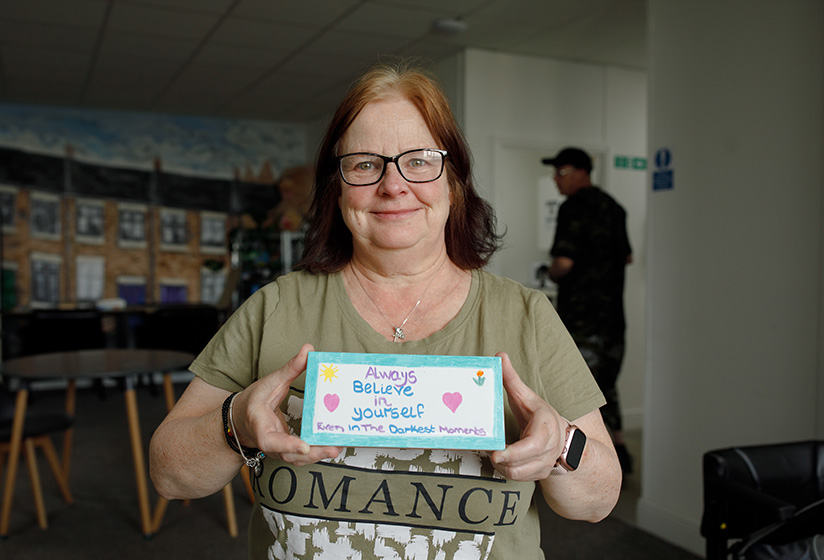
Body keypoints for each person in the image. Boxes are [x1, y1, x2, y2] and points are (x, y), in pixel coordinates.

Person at [150, 63, 621, 559]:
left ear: (454, 181)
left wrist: (560, 447)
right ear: (337, 186)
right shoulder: (275, 308)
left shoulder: (526, 316)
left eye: (419, 160)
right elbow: (168, 474)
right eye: (365, 163)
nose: (393, 185)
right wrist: (238, 424)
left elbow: (597, 501)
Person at [542, 147, 634, 473]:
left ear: (583, 172)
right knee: (606, 386)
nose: (557, 179)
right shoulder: (614, 208)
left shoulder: (574, 208)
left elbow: (563, 263)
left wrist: (551, 272)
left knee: (577, 393)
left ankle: (579, 464)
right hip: (613, 320)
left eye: (562, 172)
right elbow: (627, 257)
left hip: (582, 320)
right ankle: (620, 450)